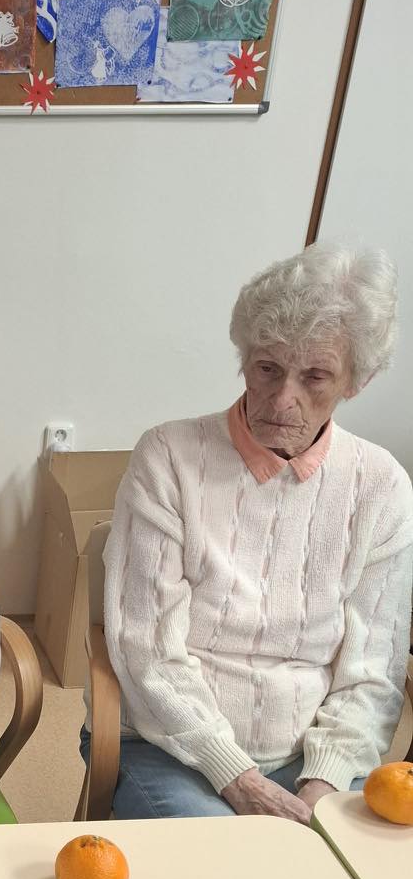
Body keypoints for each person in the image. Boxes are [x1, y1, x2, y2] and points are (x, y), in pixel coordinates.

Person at [101, 243, 413, 822]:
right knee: (222, 863)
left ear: (356, 381)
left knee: (344, 868)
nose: (281, 399)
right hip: (174, 747)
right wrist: (234, 774)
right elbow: (146, 649)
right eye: (267, 368)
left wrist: (323, 780)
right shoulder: (169, 456)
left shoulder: (382, 486)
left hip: (312, 756)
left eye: (315, 376)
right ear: (244, 357)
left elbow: (374, 671)